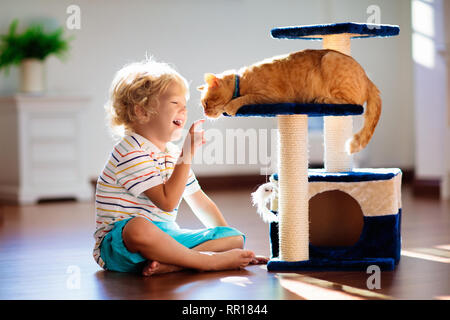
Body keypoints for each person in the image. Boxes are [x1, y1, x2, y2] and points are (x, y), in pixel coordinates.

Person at [93, 59, 267, 276]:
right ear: (141, 112)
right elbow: (167, 202)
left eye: (185, 105)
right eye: (175, 103)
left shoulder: (171, 154)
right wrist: (187, 155)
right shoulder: (130, 152)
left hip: (165, 240)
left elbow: (201, 202)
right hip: (119, 246)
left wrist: (230, 242)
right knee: (137, 227)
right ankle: (205, 262)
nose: (184, 110)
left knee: (235, 237)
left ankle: (174, 264)